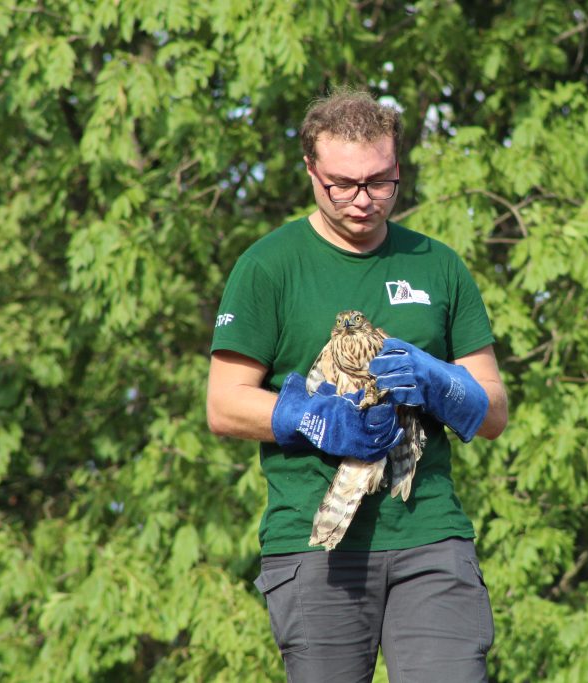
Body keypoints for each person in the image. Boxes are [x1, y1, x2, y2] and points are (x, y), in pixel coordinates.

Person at [206, 88, 509, 682]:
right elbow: (223, 404)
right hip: (316, 544)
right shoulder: (269, 265)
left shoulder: (437, 264)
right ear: (311, 172)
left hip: (430, 535)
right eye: (342, 184)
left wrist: (441, 383)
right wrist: (314, 419)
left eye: (380, 182)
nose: (363, 199)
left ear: (398, 169)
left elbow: (493, 410)